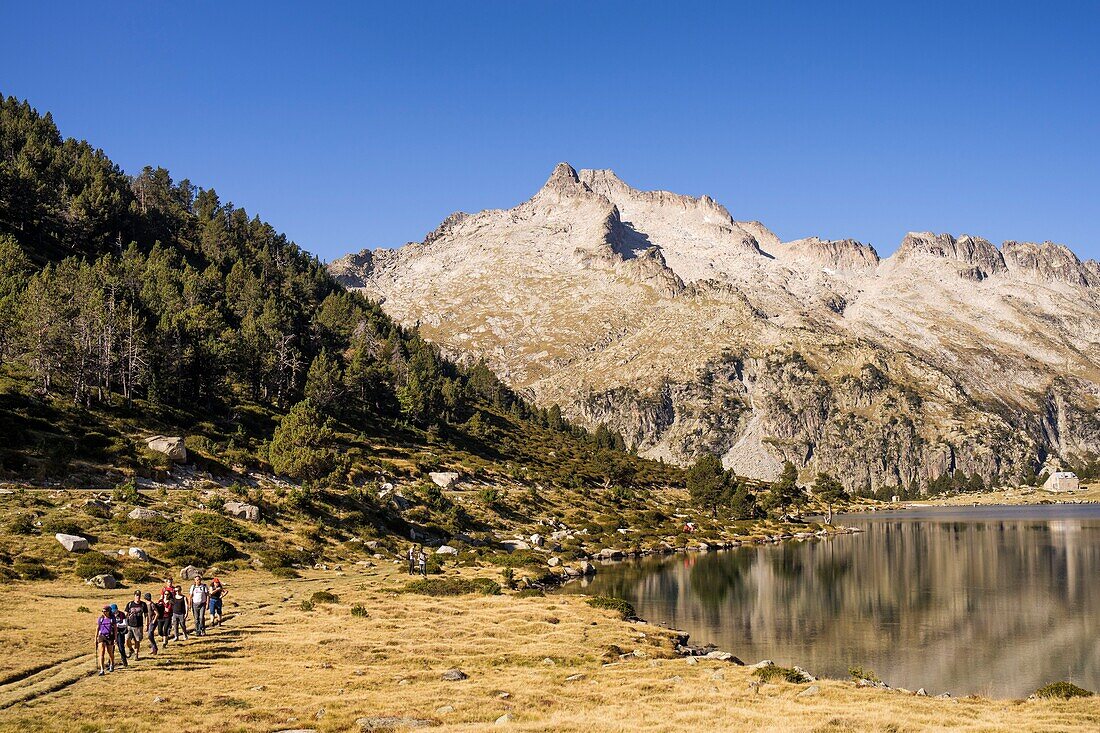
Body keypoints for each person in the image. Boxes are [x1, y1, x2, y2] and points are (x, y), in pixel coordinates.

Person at [124, 591, 146, 660]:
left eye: (139, 595)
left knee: (137, 640)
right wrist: (123, 623)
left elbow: (146, 615)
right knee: (127, 640)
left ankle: (136, 655)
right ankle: (131, 649)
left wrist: (147, 624)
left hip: (139, 626)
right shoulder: (130, 604)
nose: (138, 597)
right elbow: (126, 614)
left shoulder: (143, 604)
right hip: (129, 625)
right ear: (134, 596)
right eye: (136, 595)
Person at [95, 605, 116, 675]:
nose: (104, 613)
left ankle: (112, 664)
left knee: (110, 652)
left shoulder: (112, 618)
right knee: (102, 652)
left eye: (105, 611)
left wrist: (115, 638)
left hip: (110, 637)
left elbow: (115, 628)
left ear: (109, 611)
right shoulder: (101, 619)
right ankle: (102, 669)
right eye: (103, 611)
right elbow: (97, 628)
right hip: (102, 636)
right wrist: (95, 638)